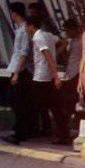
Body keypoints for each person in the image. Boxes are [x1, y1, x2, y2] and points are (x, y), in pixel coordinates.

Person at [26, 13, 71, 145]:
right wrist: (56, 53)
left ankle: (24, 131)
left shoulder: (38, 37)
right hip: (48, 76)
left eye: (26, 26)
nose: (25, 29)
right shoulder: (48, 35)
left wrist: (56, 76)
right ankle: (63, 134)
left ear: (31, 26)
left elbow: (48, 57)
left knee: (30, 104)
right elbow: (64, 42)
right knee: (55, 107)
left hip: (41, 77)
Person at [1, 2, 32, 145]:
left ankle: (20, 132)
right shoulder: (19, 29)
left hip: (21, 70)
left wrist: (17, 73)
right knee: (14, 101)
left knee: (18, 103)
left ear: (14, 13)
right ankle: (19, 129)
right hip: (15, 68)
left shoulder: (24, 30)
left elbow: (24, 53)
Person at [58, 17, 81, 134]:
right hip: (69, 73)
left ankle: (76, 126)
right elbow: (67, 59)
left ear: (75, 29)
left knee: (74, 102)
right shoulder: (70, 42)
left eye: (69, 30)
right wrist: (63, 50)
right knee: (66, 103)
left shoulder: (82, 41)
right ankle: (65, 129)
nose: (67, 33)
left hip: (77, 74)